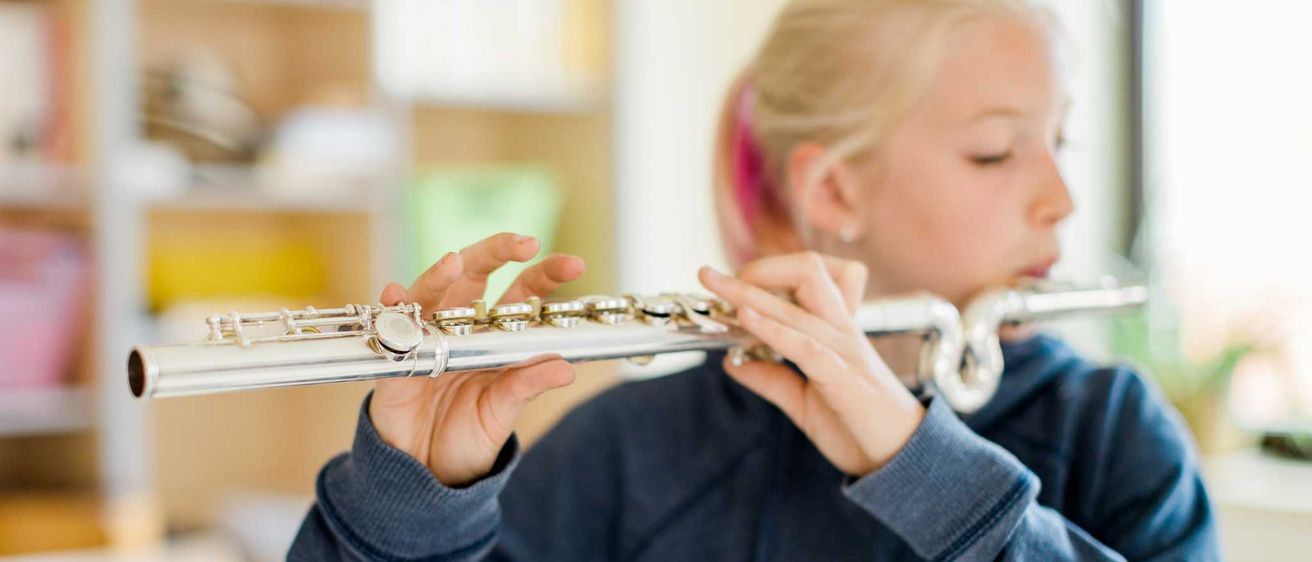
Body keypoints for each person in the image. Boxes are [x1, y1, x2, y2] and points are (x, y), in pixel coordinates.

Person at [290, 0, 1220, 559]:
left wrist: (924, 469)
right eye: (994, 152)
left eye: (1060, 141)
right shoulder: (628, 457)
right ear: (833, 188)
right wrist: (404, 506)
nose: (1060, 196)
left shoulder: (1111, 437)